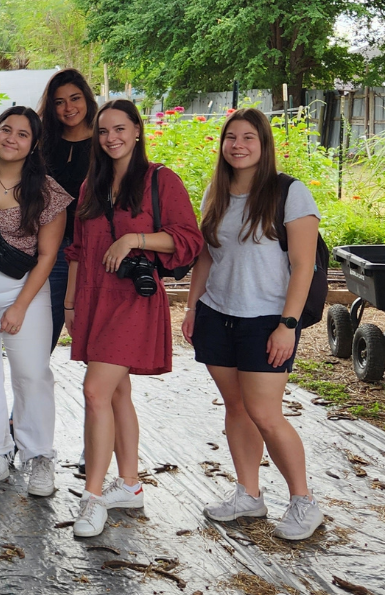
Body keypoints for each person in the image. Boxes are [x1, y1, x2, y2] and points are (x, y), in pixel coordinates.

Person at [65, 100, 203, 537]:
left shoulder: (161, 180)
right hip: (94, 297)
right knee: (117, 393)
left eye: (119, 128)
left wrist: (134, 238)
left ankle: (92, 497)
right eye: (103, 131)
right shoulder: (92, 185)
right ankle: (129, 485)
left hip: (133, 298)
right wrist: (70, 304)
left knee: (94, 391)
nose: (111, 138)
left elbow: (189, 240)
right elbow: (78, 250)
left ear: (138, 131)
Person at [184, 108, 324, 540]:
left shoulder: (289, 192)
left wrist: (288, 323)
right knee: (237, 408)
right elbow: (207, 254)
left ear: (263, 145)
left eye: (249, 138)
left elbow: (303, 266)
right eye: (231, 137)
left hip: (266, 320)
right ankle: (249, 494)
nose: (238, 145)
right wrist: (192, 307)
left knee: (265, 413)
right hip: (217, 315)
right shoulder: (217, 191)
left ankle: (304, 502)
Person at [0, 107, 71, 498]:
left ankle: (38, 455)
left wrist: (22, 305)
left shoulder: (47, 191)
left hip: (23, 287)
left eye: (22, 134)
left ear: (34, 144)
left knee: (31, 373)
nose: (11, 138)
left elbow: (48, 255)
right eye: (6, 129)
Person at [37, 69, 98, 351]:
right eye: (59, 101)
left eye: (74, 98)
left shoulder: (105, 141)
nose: (68, 107)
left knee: (98, 343)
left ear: (87, 98)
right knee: (40, 339)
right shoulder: (42, 142)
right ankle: (32, 395)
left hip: (95, 250)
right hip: (51, 249)